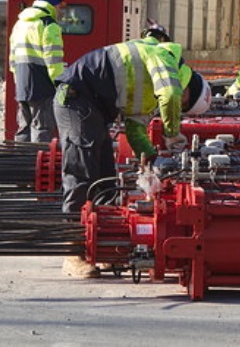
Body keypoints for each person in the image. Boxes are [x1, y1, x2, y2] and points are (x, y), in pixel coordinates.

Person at [54, 40, 210, 277]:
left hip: (93, 107)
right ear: (189, 85)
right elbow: (170, 95)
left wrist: (154, 160)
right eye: (185, 103)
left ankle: (100, 246)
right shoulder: (166, 59)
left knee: (105, 178)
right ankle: (73, 251)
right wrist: (172, 135)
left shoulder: (151, 95)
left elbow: (136, 131)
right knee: (82, 171)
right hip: (76, 97)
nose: (180, 105)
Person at [8, 0, 66, 142]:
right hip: (42, 86)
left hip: (22, 84)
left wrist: (19, 81)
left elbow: (12, 59)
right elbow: (53, 61)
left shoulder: (20, 24)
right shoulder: (49, 25)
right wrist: (60, 84)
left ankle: (20, 163)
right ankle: (36, 164)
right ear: (54, 3)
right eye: (60, 6)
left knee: (24, 128)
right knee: (42, 128)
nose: (61, 10)